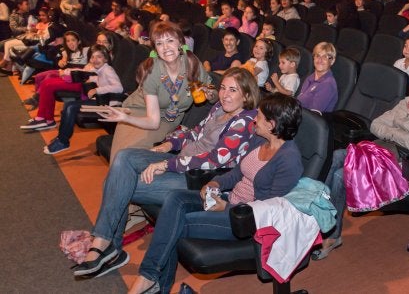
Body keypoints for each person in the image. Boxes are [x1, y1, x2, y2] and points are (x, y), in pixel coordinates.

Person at [72, 67, 261, 279]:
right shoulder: (220, 107)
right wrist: (168, 144)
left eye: (233, 90)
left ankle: (105, 245)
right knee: (124, 157)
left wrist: (166, 165)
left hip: (198, 179)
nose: (225, 94)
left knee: (118, 183)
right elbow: (195, 133)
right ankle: (108, 245)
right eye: (223, 88)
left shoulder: (245, 121)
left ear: (246, 94)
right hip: (181, 161)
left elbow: (215, 160)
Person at [127, 93, 303, 293]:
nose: (255, 119)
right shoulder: (259, 139)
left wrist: (227, 208)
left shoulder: (288, 160)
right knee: (175, 198)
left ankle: (150, 280)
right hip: (230, 199)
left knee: (174, 224)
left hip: (243, 219)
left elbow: (267, 210)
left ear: (271, 125)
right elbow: (237, 172)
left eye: (260, 117)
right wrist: (215, 183)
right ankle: (153, 282)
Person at [313, 60, 409, 260]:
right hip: (379, 152)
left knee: (342, 174)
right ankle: (317, 219)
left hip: (402, 167)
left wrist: (393, 132)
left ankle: (331, 235)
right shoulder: (408, 102)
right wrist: (406, 134)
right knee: (336, 156)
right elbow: (376, 125)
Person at [108, 21, 212, 162]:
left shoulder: (193, 64)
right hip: (137, 113)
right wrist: (125, 118)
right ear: (155, 49)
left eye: (170, 40)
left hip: (168, 119)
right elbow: (152, 121)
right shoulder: (152, 71)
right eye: (159, 43)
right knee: (122, 155)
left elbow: (212, 90)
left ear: (180, 43)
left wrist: (210, 94)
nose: (165, 47)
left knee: (131, 155)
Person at [43, 45, 123, 154]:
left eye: (99, 57)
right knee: (68, 106)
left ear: (105, 59)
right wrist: (92, 79)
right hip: (102, 101)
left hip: (109, 104)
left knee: (71, 107)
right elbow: (88, 73)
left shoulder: (108, 70)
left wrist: (96, 90)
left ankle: (63, 141)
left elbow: (119, 88)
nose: (95, 60)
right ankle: (61, 138)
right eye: (92, 57)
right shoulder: (100, 70)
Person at [297, 42, 338, 113]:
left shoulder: (328, 84)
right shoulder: (310, 77)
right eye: (317, 56)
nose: (320, 60)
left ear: (332, 61)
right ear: (313, 58)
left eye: (325, 57)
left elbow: (313, 115)